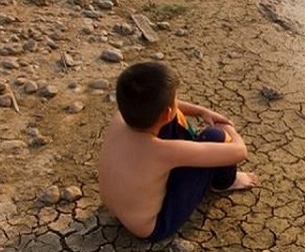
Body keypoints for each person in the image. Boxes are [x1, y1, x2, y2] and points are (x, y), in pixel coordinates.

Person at [98, 61, 256, 241]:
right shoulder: (164, 152)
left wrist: (200, 111)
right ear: (166, 112)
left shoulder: (121, 117)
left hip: (117, 208)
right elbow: (239, 151)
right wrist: (228, 128)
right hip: (153, 226)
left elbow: (167, 108)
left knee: (167, 118)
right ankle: (225, 182)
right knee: (215, 136)